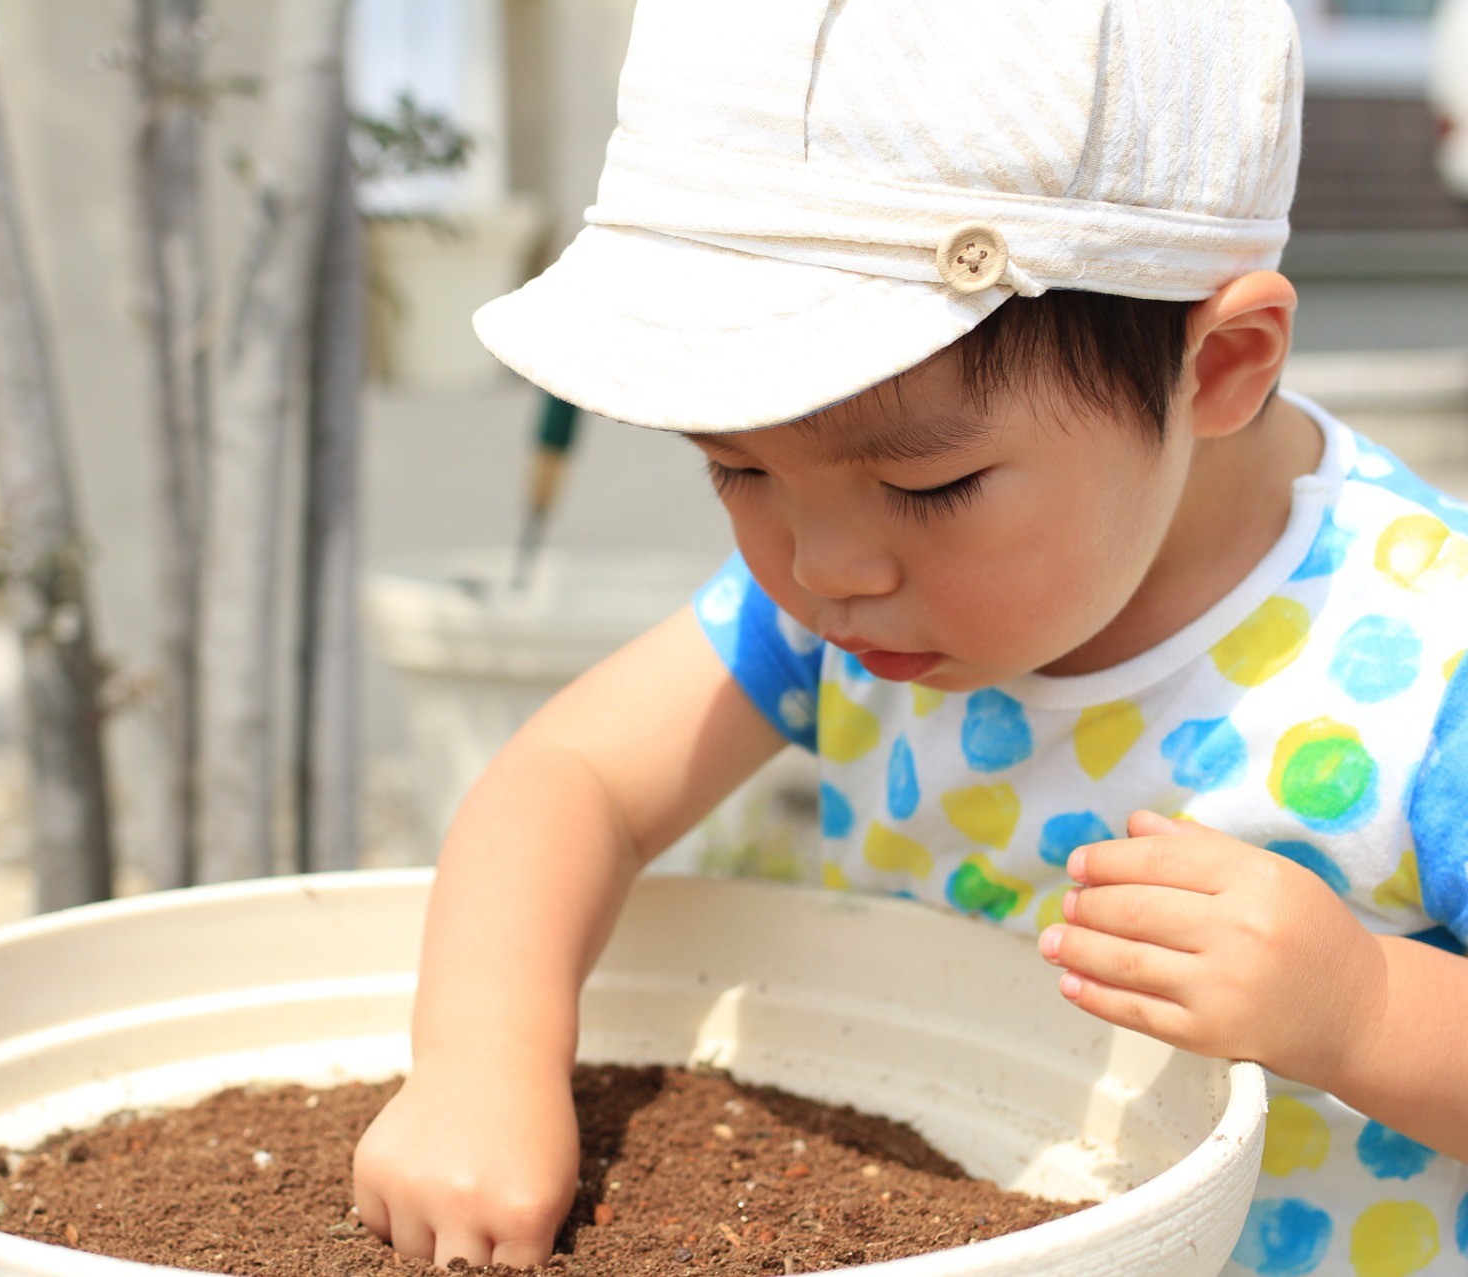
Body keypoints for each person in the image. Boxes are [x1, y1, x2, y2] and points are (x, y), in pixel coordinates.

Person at [351, 2, 1468, 1273]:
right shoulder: (845, 608)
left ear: (1220, 367)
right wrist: (479, 1065)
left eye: (929, 488)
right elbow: (576, 777)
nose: (822, 569)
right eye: (738, 468)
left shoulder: (1425, 661)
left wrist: (1363, 1008)